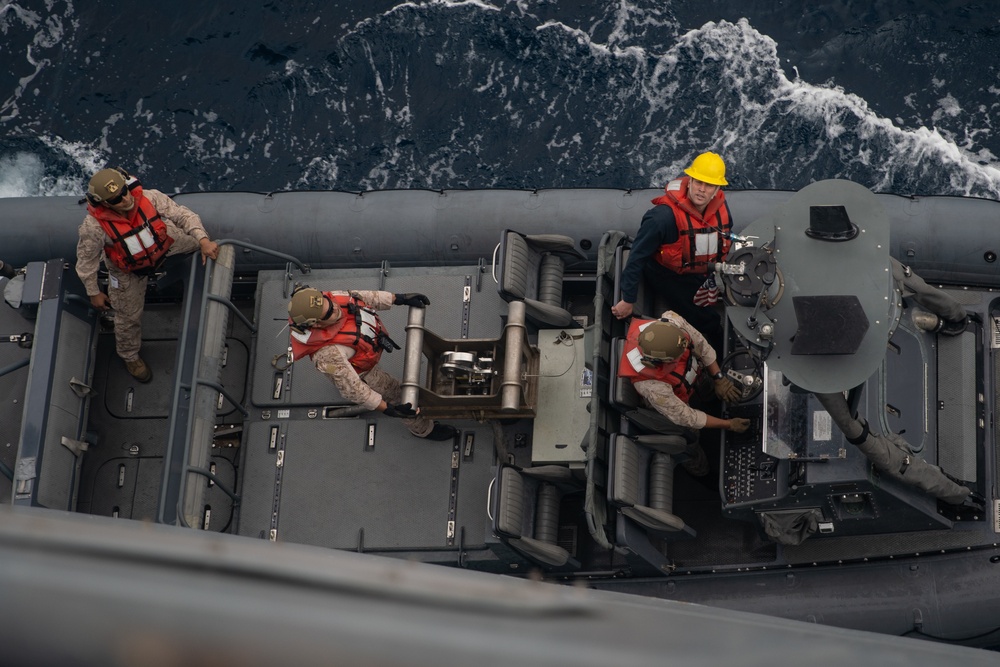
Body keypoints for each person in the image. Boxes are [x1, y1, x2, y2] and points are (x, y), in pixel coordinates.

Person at [76, 167, 220, 382]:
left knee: (199, 242)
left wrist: (202, 240)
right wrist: (93, 292)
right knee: (127, 317)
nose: (124, 199)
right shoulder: (94, 227)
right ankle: (129, 356)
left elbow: (182, 214)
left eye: (124, 191)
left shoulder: (149, 197)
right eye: (116, 199)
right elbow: (86, 262)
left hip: (163, 243)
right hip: (127, 271)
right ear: (104, 203)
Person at [286, 286, 457, 441]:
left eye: (329, 303)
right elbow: (354, 390)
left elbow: (363, 298)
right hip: (364, 373)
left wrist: (399, 298)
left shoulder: (330, 300)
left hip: (361, 354)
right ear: (315, 324)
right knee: (398, 395)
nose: (336, 308)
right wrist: (387, 408)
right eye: (329, 312)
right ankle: (423, 430)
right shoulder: (328, 355)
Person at [611, 151, 733, 349]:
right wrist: (628, 299)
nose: (702, 190)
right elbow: (637, 257)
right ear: (690, 181)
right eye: (698, 182)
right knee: (707, 320)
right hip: (669, 275)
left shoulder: (720, 209)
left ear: (717, 188)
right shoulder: (662, 218)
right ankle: (719, 347)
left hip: (703, 269)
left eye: (709, 185)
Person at [617, 310, 750, 475]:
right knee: (689, 438)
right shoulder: (652, 386)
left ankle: (712, 399)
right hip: (671, 405)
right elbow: (687, 417)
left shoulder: (673, 322)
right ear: (657, 363)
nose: (681, 359)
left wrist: (719, 379)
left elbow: (701, 345)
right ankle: (703, 472)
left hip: (692, 376)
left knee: (704, 383)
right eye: (675, 360)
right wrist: (729, 425)